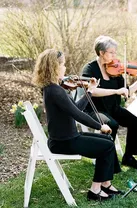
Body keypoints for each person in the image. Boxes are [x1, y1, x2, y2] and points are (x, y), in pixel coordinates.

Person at [32, 49, 123, 202]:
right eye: (63, 65)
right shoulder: (55, 91)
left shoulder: (53, 89)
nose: (65, 68)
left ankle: (106, 183)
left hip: (65, 138)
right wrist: (100, 126)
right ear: (54, 67)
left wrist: (90, 91)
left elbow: (77, 108)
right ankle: (95, 190)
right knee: (106, 146)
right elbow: (79, 115)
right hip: (64, 142)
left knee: (108, 141)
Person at [81, 35, 137, 170]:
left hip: (112, 107)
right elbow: (93, 91)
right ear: (101, 53)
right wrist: (115, 91)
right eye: (111, 52)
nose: (115, 56)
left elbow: (128, 91)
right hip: (95, 109)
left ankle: (129, 157)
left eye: (115, 52)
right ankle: (109, 160)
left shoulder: (114, 69)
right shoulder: (90, 69)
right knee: (112, 124)